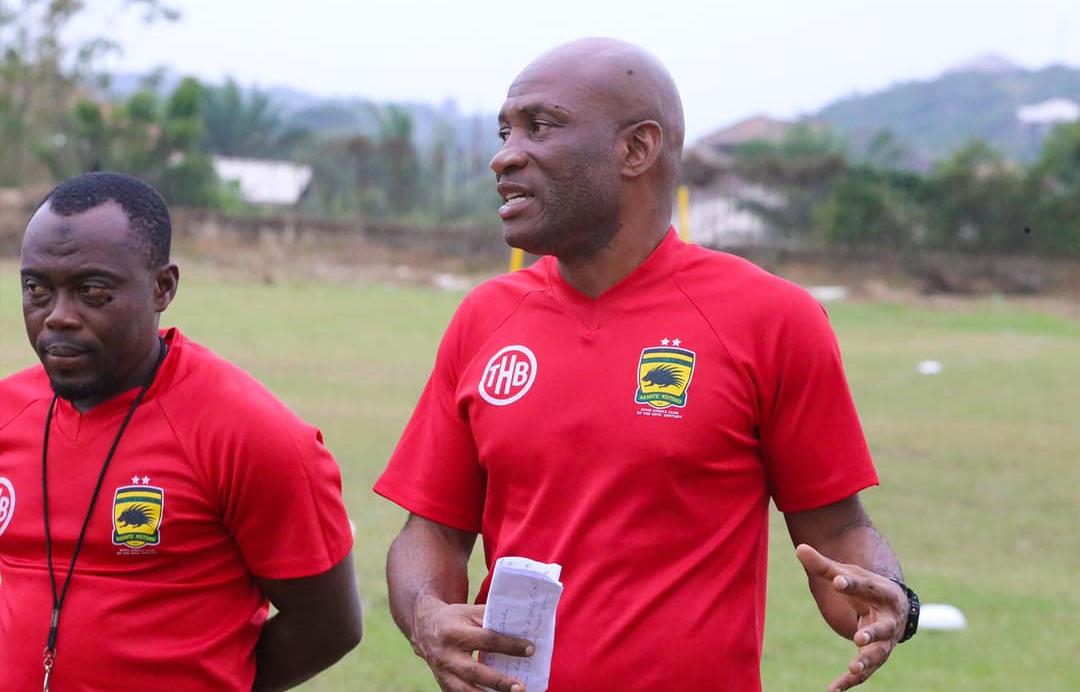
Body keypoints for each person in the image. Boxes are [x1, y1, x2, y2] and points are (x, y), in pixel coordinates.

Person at [375, 38, 918, 692]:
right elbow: (431, 532)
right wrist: (427, 616)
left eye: (539, 126)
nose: (505, 155)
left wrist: (889, 600)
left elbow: (838, 530)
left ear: (637, 149)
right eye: (505, 131)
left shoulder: (772, 319)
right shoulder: (484, 318)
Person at [0, 172, 362, 691]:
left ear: (162, 287)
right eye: (37, 289)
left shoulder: (253, 435)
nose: (58, 317)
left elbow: (328, 627)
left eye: (92, 291)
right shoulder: (8, 414)